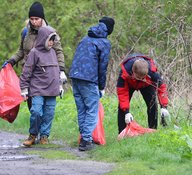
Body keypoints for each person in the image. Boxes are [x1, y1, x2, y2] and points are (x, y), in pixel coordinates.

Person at [2, 1, 66, 109]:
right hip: (29, 74)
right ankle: (36, 126)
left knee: (44, 109)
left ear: (42, 18)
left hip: (45, 75)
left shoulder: (51, 33)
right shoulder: (25, 32)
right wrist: (11, 61)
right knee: (33, 108)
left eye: (37, 19)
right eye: (31, 19)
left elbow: (58, 51)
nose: (34, 22)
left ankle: (42, 125)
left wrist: (61, 70)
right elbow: (22, 51)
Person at [69, 17, 115, 151]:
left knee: (82, 109)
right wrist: (102, 86)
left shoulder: (84, 39)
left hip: (75, 77)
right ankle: (86, 140)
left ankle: (84, 138)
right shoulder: (104, 43)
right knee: (92, 110)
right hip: (89, 80)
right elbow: (103, 67)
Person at [20, 26, 61, 147]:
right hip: (37, 89)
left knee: (49, 114)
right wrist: (24, 88)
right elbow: (26, 71)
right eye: (50, 39)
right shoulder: (34, 52)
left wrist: (60, 85)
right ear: (43, 38)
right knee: (36, 112)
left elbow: (56, 71)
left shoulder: (53, 52)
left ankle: (44, 136)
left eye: (53, 40)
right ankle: (32, 135)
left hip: (52, 90)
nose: (51, 42)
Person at [116, 53, 170, 134]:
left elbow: (162, 88)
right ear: (133, 72)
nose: (141, 79)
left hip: (146, 84)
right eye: (138, 77)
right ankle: (122, 133)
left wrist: (164, 106)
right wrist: (126, 112)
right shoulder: (124, 73)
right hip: (130, 84)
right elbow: (122, 93)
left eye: (143, 77)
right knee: (121, 108)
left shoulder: (152, 72)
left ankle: (152, 130)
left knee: (152, 104)